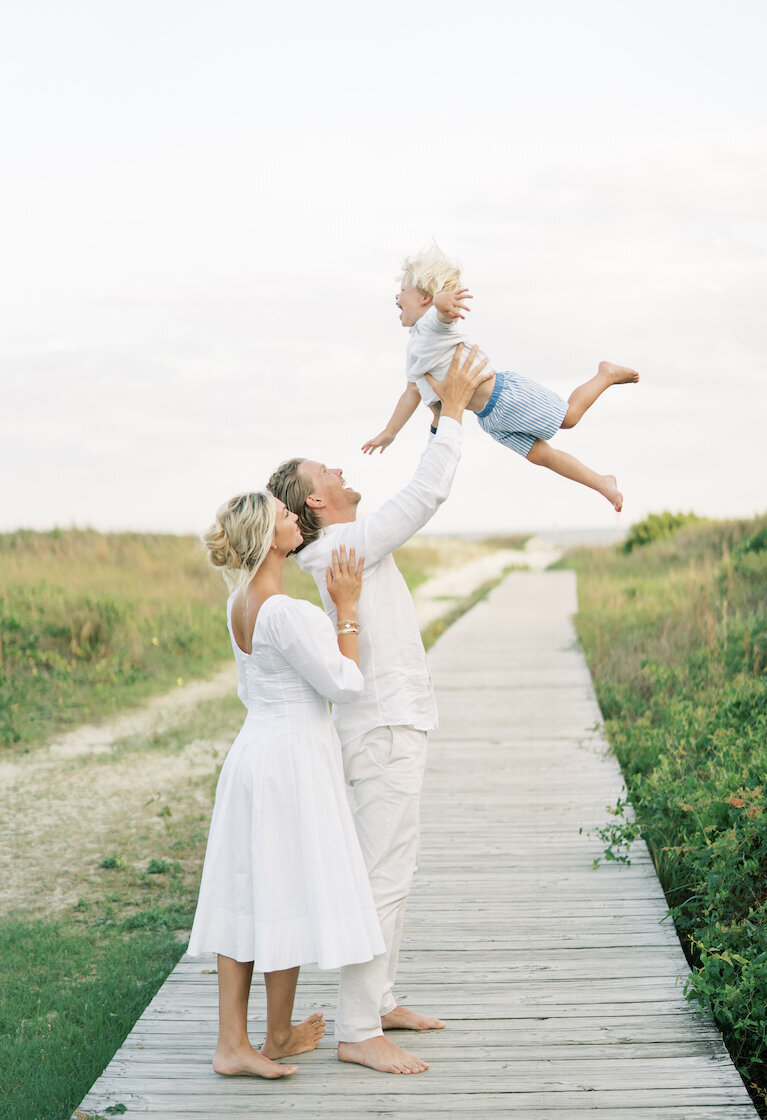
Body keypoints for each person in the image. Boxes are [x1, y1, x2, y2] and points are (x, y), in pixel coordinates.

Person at [268, 343, 492, 1075]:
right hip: (384, 729)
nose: (339, 470)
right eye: (326, 473)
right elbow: (424, 496)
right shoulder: (343, 547)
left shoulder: (344, 542)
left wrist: (437, 417)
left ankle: (381, 999)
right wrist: (450, 412)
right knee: (382, 875)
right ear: (318, 503)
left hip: (393, 723)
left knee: (398, 864)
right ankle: (360, 1028)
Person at [186, 490, 384, 1079]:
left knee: (258, 892)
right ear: (268, 538)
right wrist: (347, 608)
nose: (295, 516)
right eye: (284, 514)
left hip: (256, 752)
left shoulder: (240, 602)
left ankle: (268, 1035)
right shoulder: (285, 612)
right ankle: (240, 1044)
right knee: (278, 890)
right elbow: (345, 684)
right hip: (287, 762)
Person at [361, 244, 640, 512]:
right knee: (541, 456)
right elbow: (411, 392)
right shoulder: (414, 346)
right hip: (489, 419)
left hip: (506, 395)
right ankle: (602, 482)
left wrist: (441, 301)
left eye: (402, 291)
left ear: (425, 297)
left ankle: (606, 374)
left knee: (569, 417)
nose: (396, 297)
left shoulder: (433, 325)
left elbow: (443, 314)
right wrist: (390, 432)